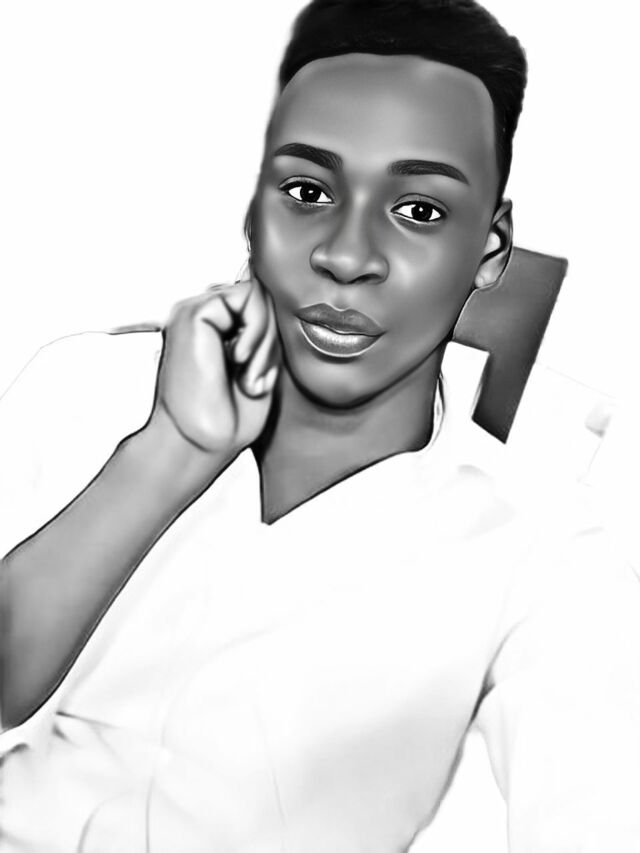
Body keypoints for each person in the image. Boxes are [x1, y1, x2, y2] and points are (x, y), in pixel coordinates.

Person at [1, 0, 639, 850]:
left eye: (419, 210)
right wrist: (167, 453)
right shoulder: (85, 386)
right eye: (307, 192)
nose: (345, 255)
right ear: (254, 211)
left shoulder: (541, 548)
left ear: (490, 251)